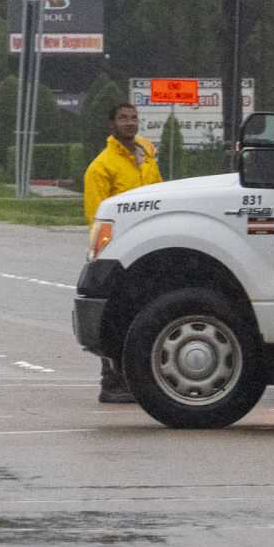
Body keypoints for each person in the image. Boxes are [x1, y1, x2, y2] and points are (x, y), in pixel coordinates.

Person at [83, 103, 162, 403]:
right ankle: (112, 380)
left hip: (150, 247)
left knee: (143, 313)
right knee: (117, 315)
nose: (129, 123)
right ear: (111, 125)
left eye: (133, 118)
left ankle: (135, 377)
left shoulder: (147, 157)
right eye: (123, 118)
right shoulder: (101, 167)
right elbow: (96, 217)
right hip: (118, 253)